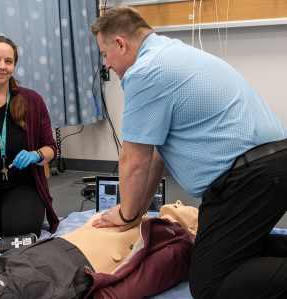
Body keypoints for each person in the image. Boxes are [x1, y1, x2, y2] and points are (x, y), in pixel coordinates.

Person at [90, 6, 287, 299]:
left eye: (105, 54)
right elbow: (156, 155)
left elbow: (133, 159)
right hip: (268, 166)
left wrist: (124, 212)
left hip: (249, 178)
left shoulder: (145, 71)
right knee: (230, 252)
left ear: (121, 44)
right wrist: (136, 212)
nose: (107, 64)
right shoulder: (173, 53)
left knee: (210, 285)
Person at [0, 201, 197, 299]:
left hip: (64, 271)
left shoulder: (180, 248)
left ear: (195, 229)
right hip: (42, 252)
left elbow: (141, 280)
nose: (178, 203)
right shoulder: (136, 211)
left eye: (192, 209)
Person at [0, 36, 59, 245]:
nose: (2, 66)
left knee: (19, 232)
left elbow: (51, 149)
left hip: (22, 185)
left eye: (8, 61)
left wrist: (36, 155)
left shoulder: (32, 100)